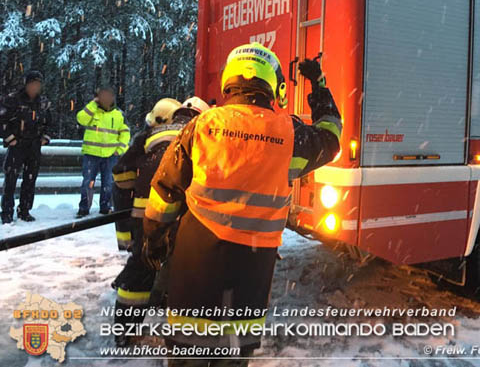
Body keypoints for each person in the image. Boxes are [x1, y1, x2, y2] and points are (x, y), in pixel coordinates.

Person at [142, 43, 342, 366]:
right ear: (272, 84)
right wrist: (318, 85)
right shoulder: (290, 136)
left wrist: (154, 240)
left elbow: (164, 192)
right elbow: (331, 137)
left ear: (229, 82)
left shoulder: (202, 127)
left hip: (193, 278)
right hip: (249, 283)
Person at [111, 96, 210, 346]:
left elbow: (121, 175)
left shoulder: (149, 135)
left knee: (140, 269)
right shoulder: (201, 135)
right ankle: (181, 338)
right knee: (184, 270)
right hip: (180, 215)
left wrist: (139, 189)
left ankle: (125, 333)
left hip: (146, 213)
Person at [0, 70, 52, 223]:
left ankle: (25, 210)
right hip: (17, 145)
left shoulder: (43, 102)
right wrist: (10, 138)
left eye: (38, 84)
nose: (35, 87)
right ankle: (7, 212)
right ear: (26, 84)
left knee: (30, 180)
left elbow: (49, 122)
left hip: (34, 145)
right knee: (11, 179)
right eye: (32, 84)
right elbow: (1, 120)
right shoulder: (13, 99)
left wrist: (45, 138)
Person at [76, 86, 130, 218]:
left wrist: (120, 149)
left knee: (108, 182)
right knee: (88, 182)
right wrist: (93, 104)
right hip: (91, 154)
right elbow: (80, 119)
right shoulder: (92, 111)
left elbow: (125, 133)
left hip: (111, 155)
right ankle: (84, 208)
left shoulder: (119, 114)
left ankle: (105, 207)